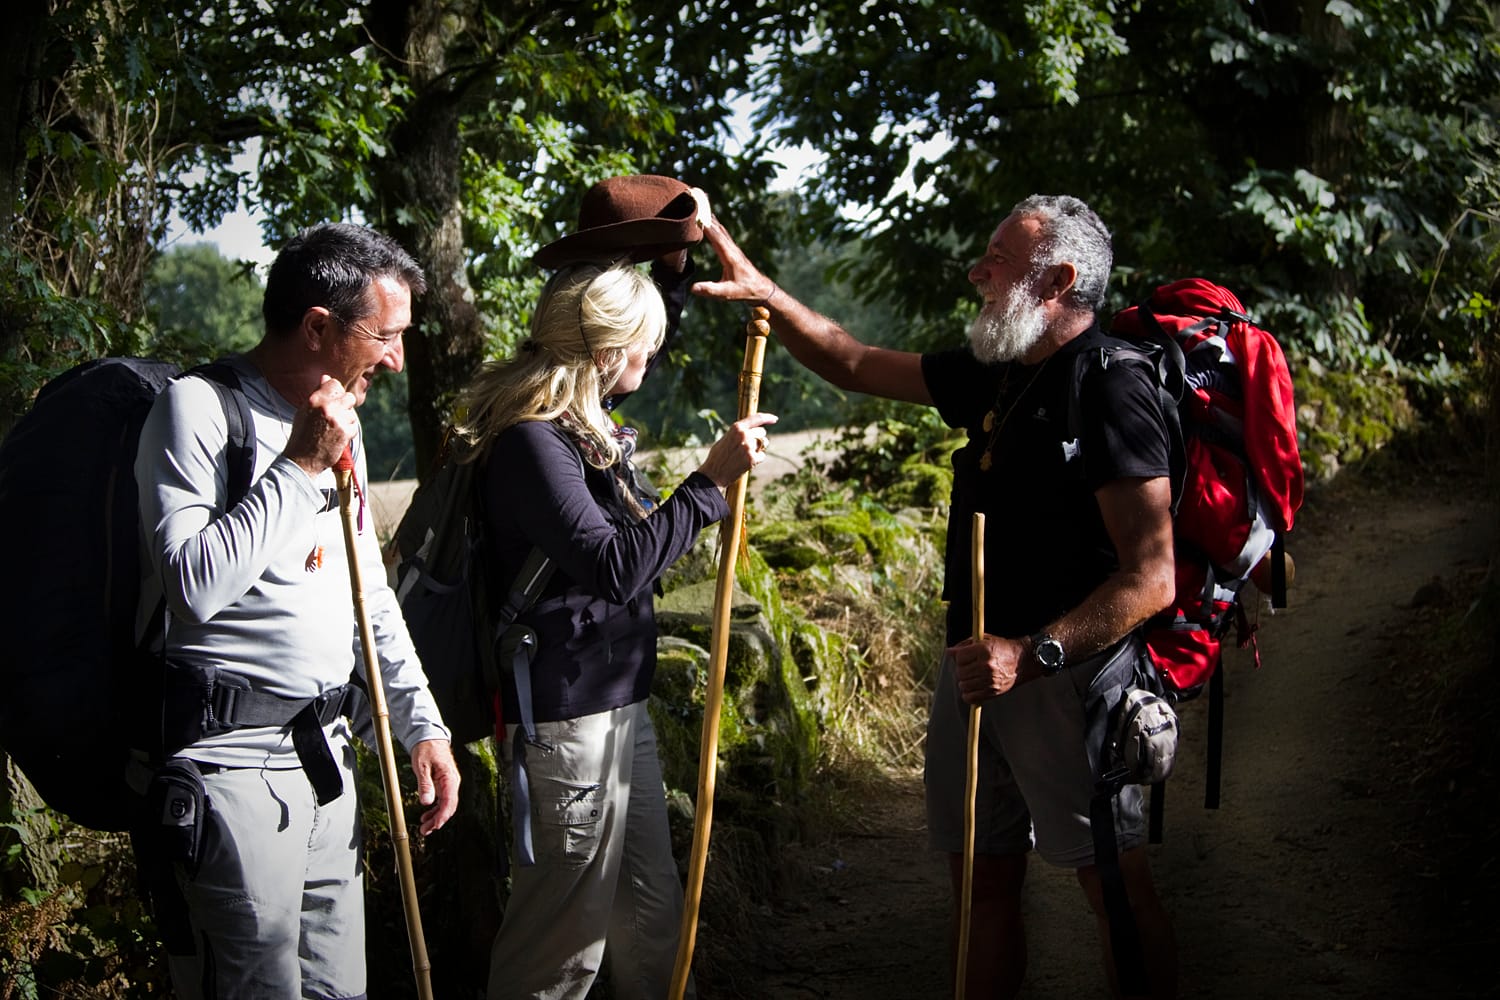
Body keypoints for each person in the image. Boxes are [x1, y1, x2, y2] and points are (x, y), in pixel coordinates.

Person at [693, 195, 1180, 999]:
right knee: (980, 887)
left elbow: (1151, 577)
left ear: (1058, 280)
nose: (975, 272)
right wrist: (768, 296)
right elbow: (852, 360)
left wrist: (1033, 654)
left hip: (1072, 682)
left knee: (1113, 890)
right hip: (974, 673)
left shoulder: (1112, 388)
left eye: (997, 258)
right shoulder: (998, 371)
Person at [132, 222, 461, 998]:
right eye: (386, 335)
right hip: (229, 770)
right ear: (319, 325)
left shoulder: (338, 423)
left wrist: (423, 724)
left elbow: (366, 594)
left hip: (326, 760)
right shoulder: (199, 411)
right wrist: (303, 463)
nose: (397, 358)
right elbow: (192, 584)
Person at [455, 231, 775, 997]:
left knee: (651, 918)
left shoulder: (580, 426)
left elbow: (631, 346)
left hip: (615, 707)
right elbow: (614, 566)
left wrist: (673, 261)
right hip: (565, 721)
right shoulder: (535, 443)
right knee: (562, 945)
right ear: (605, 353)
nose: (650, 364)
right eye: (644, 347)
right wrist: (707, 485)